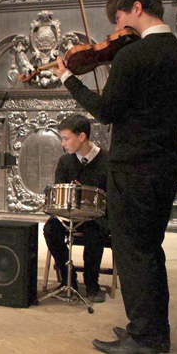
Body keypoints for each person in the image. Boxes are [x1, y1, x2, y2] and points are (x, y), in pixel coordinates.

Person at [53, 0, 177, 354]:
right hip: (166, 165)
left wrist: (68, 79)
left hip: (133, 168)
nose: (116, 29)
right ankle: (148, 328)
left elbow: (106, 112)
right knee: (150, 250)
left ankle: (148, 339)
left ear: (137, 8)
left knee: (134, 252)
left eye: (120, 16)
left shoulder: (133, 56)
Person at [43, 114, 108, 304]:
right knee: (50, 229)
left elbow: (112, 195)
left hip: (95, 216)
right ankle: (67, 278)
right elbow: (58, 191)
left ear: (82, 137)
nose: (63, 144)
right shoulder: (65, 161)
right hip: (69, 214)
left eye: (66, 138)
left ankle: (92, 285)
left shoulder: (106, 160)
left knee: (96, 233)